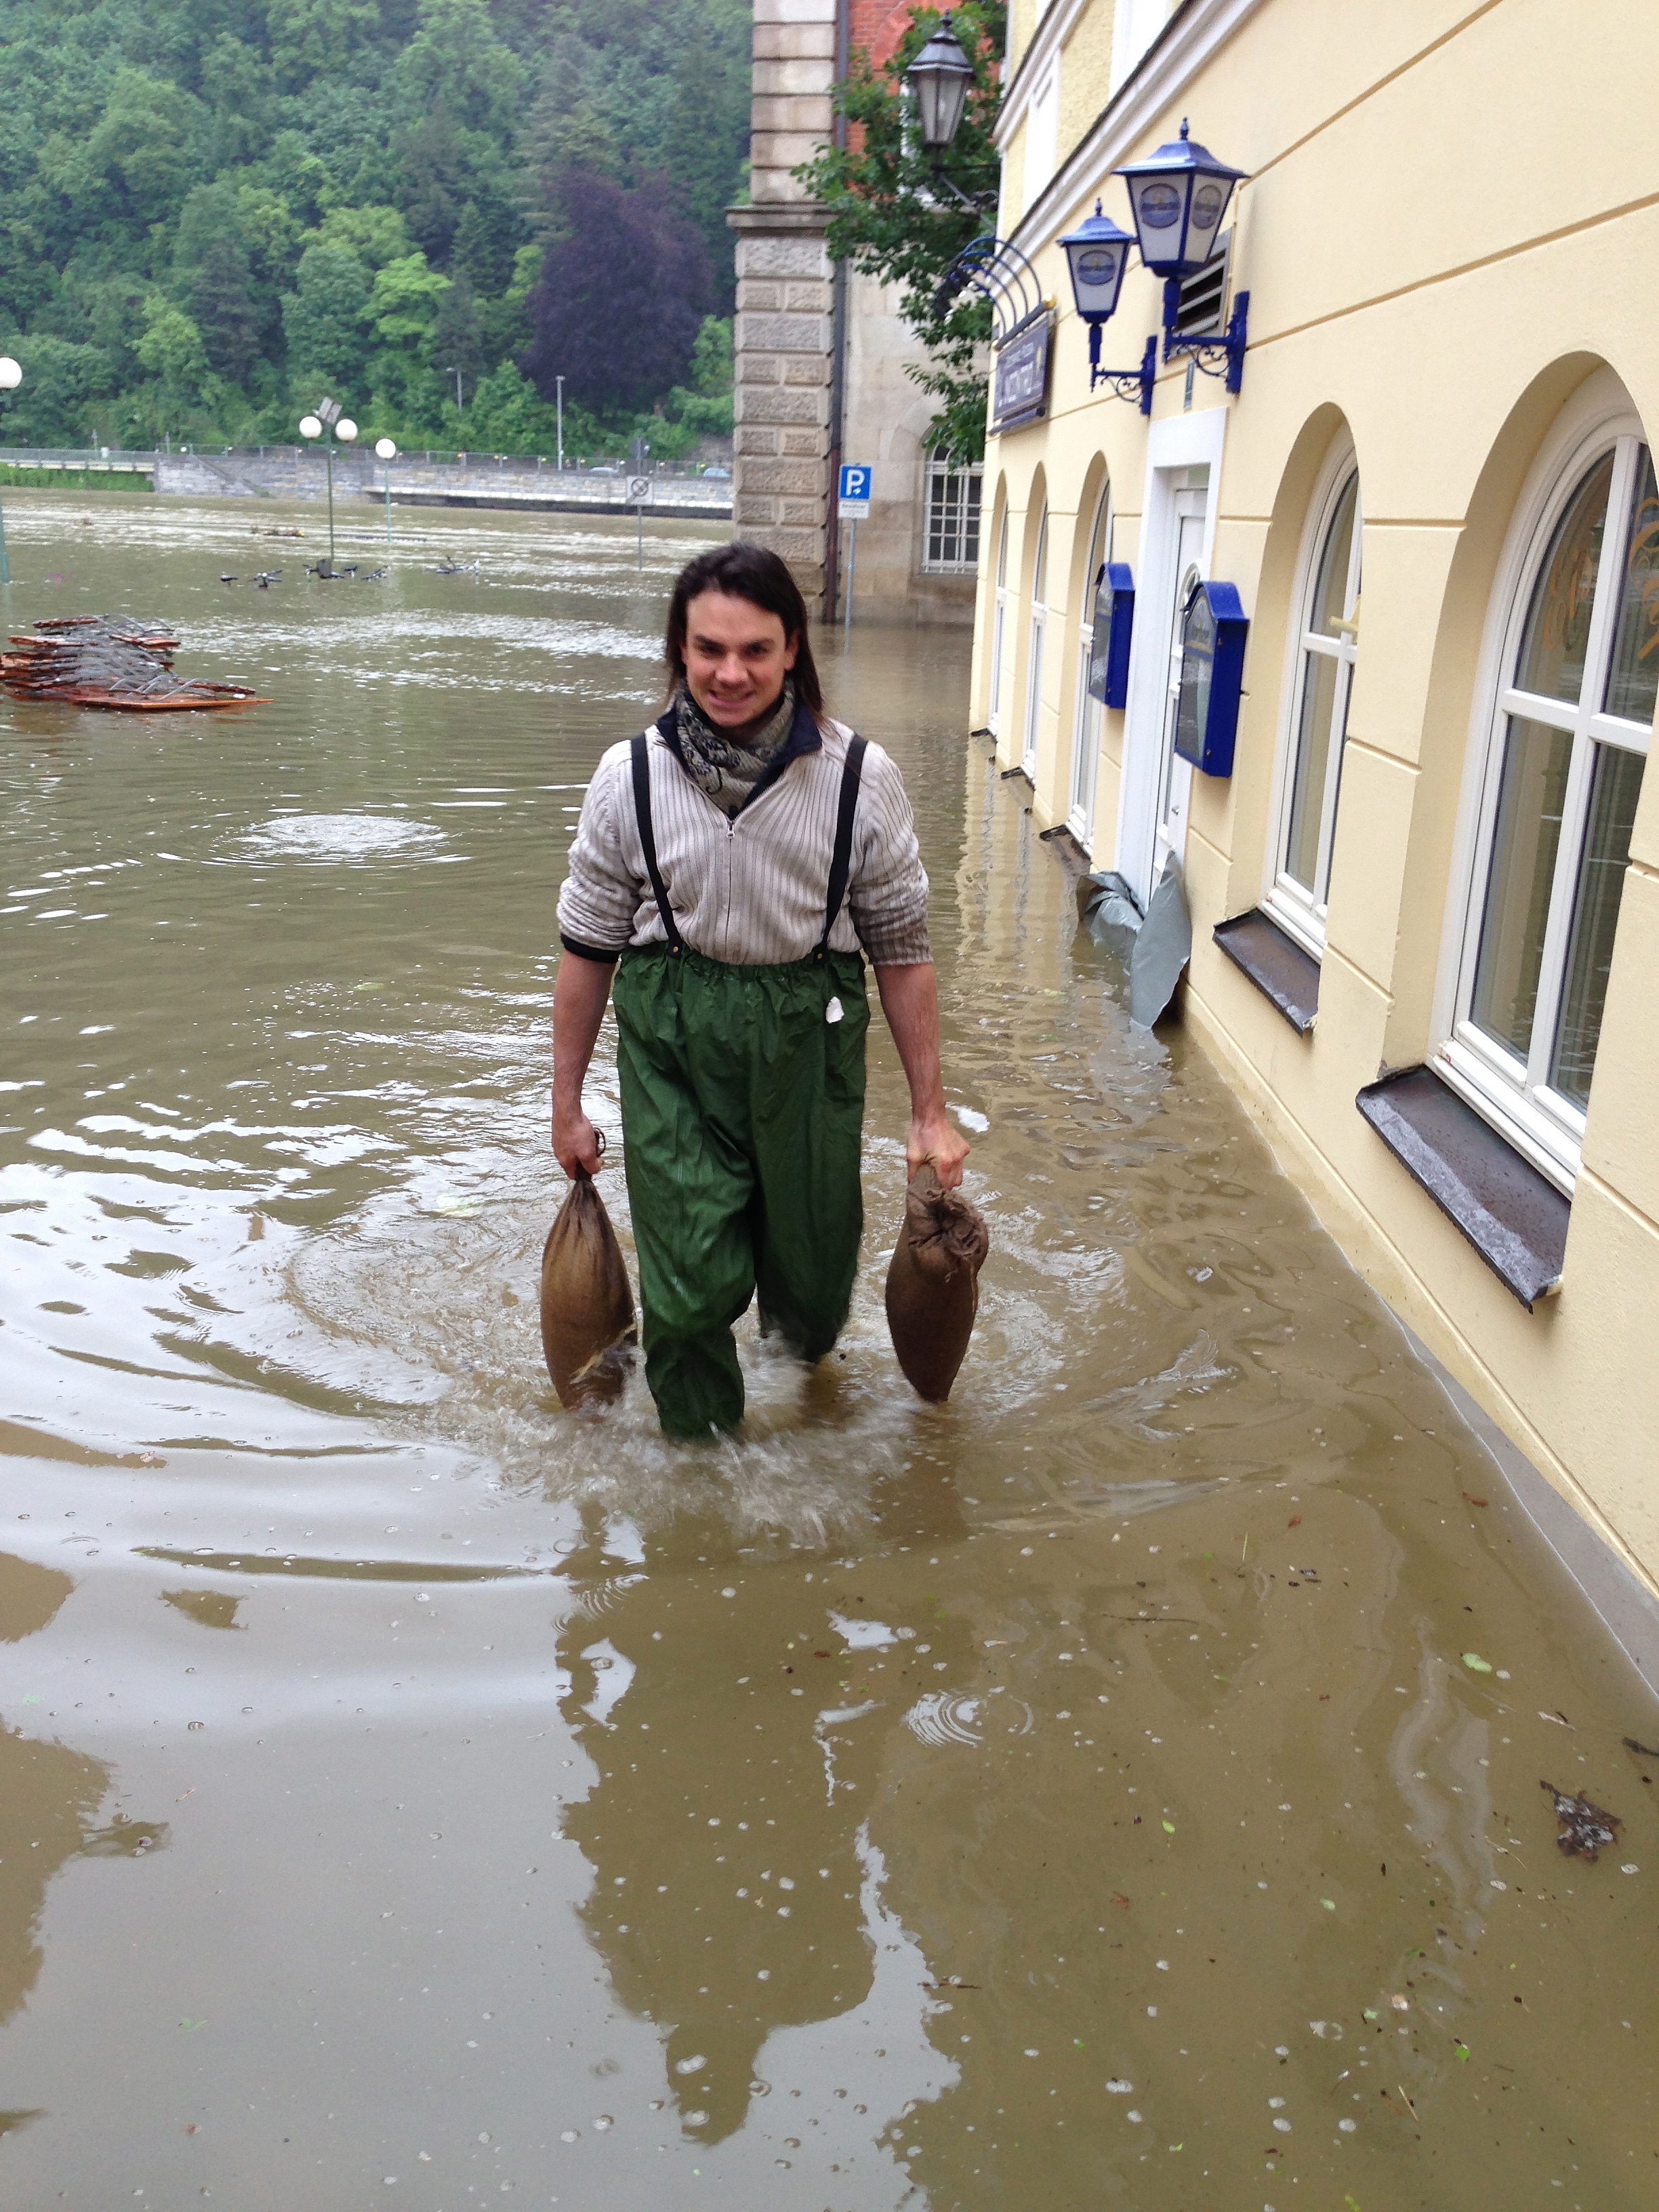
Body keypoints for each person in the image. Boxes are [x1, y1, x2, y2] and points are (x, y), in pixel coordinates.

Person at [552, 541, 969, 1438]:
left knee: (813, 1288)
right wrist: (566, 1102)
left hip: (808, 1044)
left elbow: (902, 952)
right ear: (679, 650)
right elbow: (587, 949)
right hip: (672, 1045)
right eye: (708, 649)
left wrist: (930, 1111)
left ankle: (801, 1384)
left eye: (753, 650)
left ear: (791, 651)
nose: (729, 673)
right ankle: (700, 1479)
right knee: (691, 1291)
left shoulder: (862, 780)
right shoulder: (627, 780)